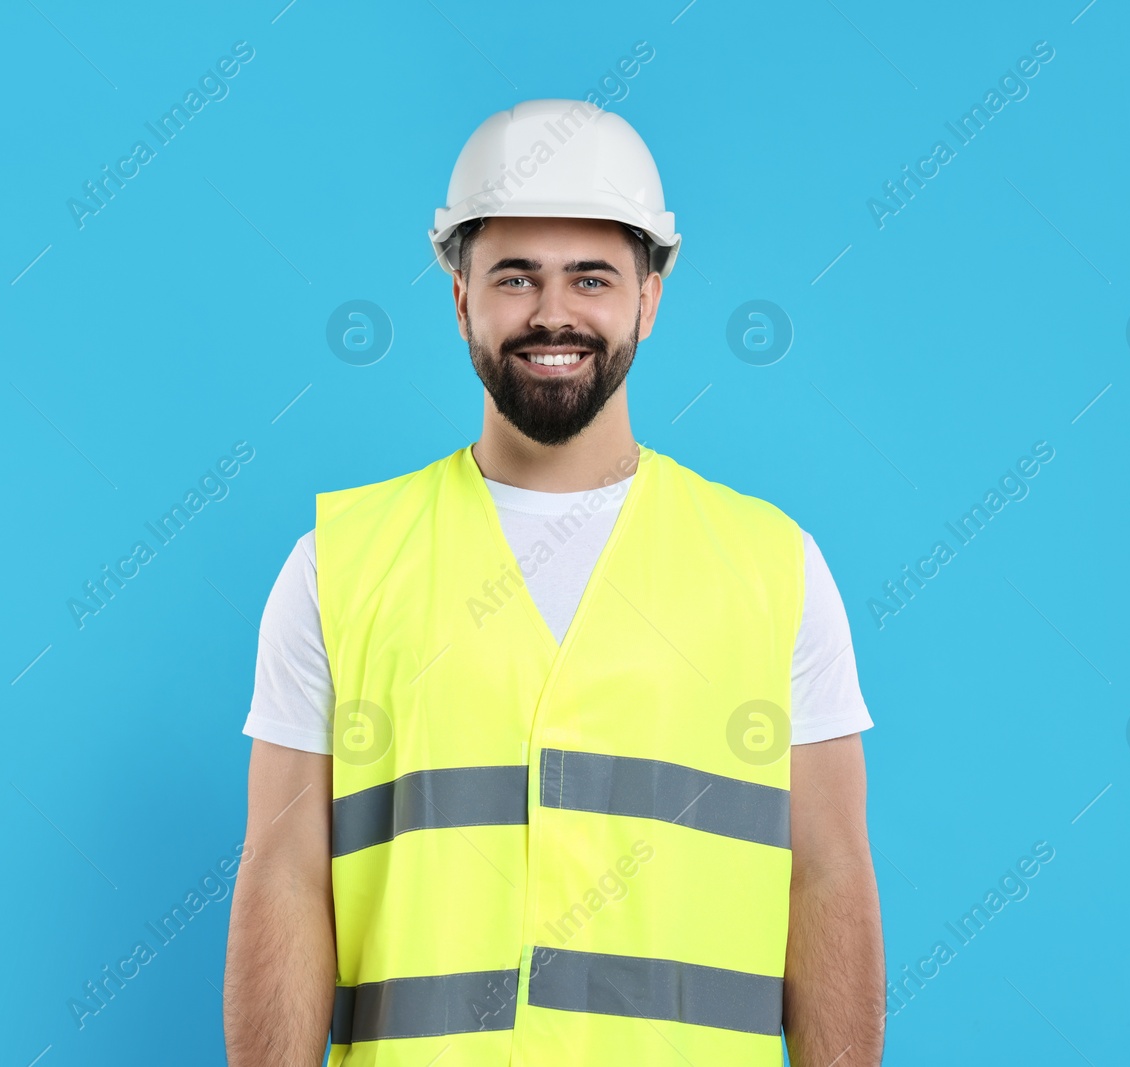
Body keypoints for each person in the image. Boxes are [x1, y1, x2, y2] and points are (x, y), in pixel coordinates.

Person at [224, 99, 885, 1067]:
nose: (552, 314)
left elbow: (827, 878)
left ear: (650, 298)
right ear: (459, 296)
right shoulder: (338, 564)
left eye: (591, 278)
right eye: (514, 277)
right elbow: (283, 876)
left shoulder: (772, 566)